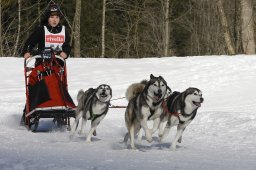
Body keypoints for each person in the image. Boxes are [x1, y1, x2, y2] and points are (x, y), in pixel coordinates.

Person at [20, 3, 71, 125]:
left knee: (59, 85)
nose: (54, 20)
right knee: (38, 85)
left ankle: (60, 108)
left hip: (57, 65)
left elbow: (67, 46)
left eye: (57, 17)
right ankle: (29, 110)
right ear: (47, 18)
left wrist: (65, 53)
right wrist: (27, 51)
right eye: (52, 17)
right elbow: (29, 43)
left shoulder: (64, 31)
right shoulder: (41, 30)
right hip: (41, 65)